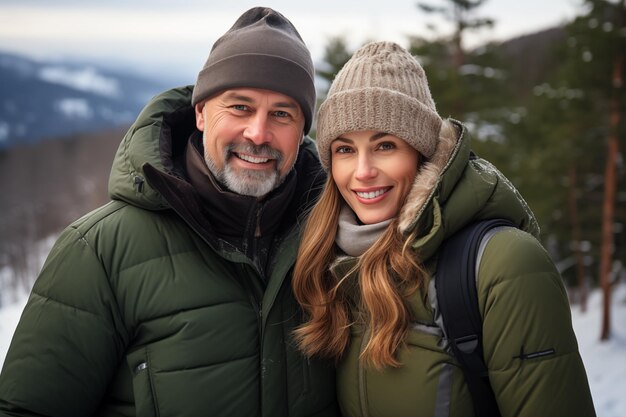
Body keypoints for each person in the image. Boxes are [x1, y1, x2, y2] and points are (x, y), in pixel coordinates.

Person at [0, 7, 340, 417]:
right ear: (200, 113)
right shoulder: (101, 251)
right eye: (239, 107)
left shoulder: (334, 237)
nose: (258, 133)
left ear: (302, 129)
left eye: (282, 114)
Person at [292, 41, 596, 417]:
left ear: (421, 151)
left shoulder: (504, 265)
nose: (363, 171)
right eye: (345, 150)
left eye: (385, 145)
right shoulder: (331, 266)